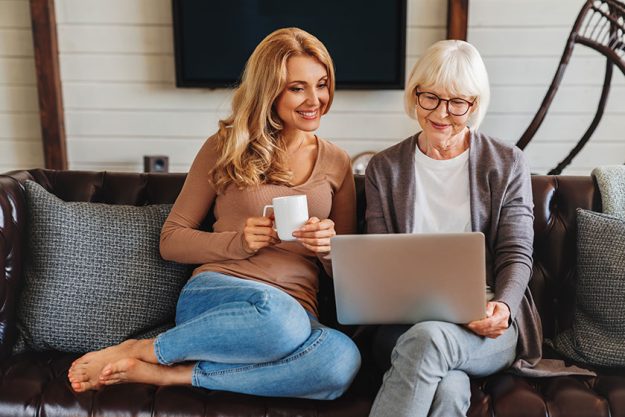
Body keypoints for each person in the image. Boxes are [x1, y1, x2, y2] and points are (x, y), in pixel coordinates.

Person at [67, 27, 361, 400]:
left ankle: (172, 375)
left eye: (321, 84)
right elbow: (171, 240)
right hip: (221, 295)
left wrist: (329, 249)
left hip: (297, 312)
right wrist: (238, 243)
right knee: (279, 319)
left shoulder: (337, 162)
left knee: (341, 361)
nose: (315, 99)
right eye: (297, 88)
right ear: (269, 91)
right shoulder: (225, 146)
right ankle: (143, 347)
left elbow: (351, 278)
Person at [365, 39, 541, 417]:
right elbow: (378, 261)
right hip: (403, 324)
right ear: (415, 95)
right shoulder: (384, 168)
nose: (442, 113)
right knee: (448, 385)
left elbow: (516, 252)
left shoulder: (507, 162)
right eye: (431, 97)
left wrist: (503, 307)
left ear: (474, 105)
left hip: (485, 324)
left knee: (430, 343)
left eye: (458, 102)